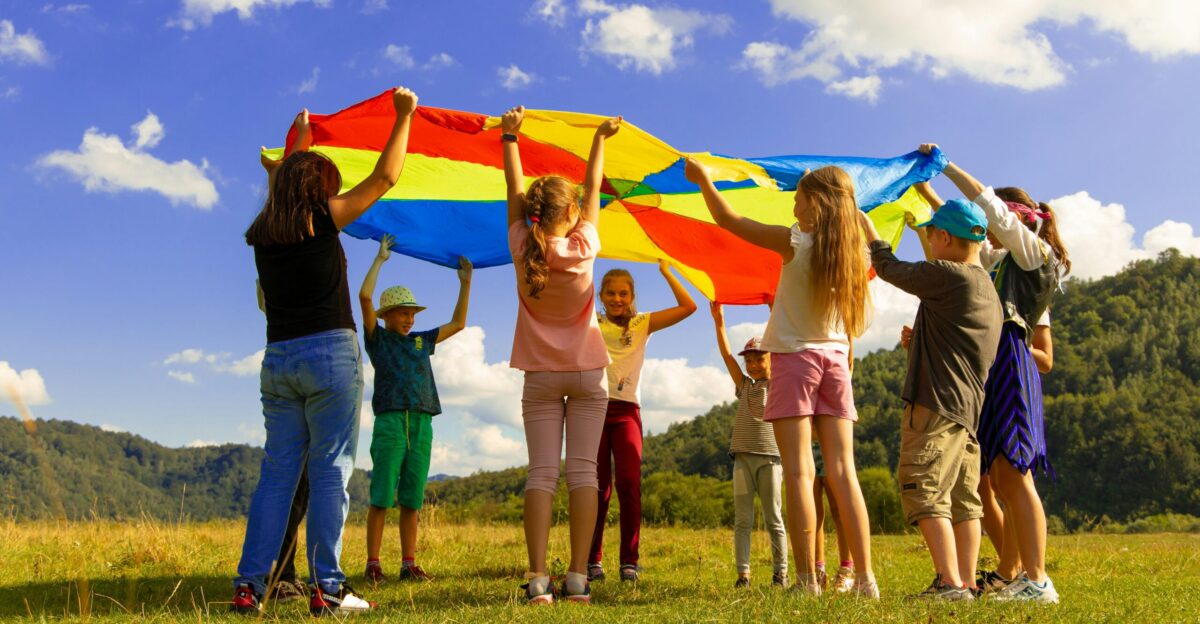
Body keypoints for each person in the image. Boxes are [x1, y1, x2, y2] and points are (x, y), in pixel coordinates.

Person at [232, 87, 418, 617]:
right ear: (318, 189)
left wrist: (301, 140)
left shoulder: (265, 231)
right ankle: (329, 588)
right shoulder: (323, 219)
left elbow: (282, 187)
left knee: (277, 474)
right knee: (332, 471)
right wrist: (402, 117)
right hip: (330, 357)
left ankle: (250, 586)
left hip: (279, 361)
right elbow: (386, 177)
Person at [685, 160, 878, 598]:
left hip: (794, 359)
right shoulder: (857, 253)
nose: (793, 202)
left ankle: (808, 580)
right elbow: (864, 228)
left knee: (798, 472)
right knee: (846, 472)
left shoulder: (795, 242)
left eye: (799, 196)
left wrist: (705, 181)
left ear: (817, 205)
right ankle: (866, 580)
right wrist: (853, 212)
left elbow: (728, 219)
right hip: (835, 361)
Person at [927, 144, 1070, 603]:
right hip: (995, 360)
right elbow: (970, 238)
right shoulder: (1003, 259)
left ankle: (1037, 578)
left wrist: (946, 166)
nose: (987, 230)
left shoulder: (1032, 253)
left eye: (996, 221)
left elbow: (985, 207)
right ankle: (1023, 575)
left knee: (1014, 475)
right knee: (1003, 476)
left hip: (1011, 358)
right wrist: (928, 193)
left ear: (1015, 219)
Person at [502, 105, 621, 604]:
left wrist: (511, 137)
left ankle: (536, 579)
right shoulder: (585, 246)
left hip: (540, 377)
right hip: (588, 374)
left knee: (542, 474)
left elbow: (512, 192)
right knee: (584, 474)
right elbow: (595, 189)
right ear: (571, 215)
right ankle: (576, 578)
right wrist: (599, 138)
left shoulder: (520, 245)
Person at [864, 194, 1002, 601]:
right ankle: (968, 583)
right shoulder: (985, 289)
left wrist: (869, 232)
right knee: (964, 501)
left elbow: (889, 267)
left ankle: (948, 581)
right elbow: (959, 346)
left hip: (936, 405)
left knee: (924, 488)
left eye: (930, 235)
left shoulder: (951, 274)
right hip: (965, 411)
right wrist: (921, 341)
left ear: (943, 236)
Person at [359, 234, 472, 584]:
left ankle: (409, 563)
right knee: (381, 497)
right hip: (391, 422)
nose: (409, 319)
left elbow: (458, 324)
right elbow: (364, 297)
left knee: (412, 499)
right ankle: (373, 563)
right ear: (387, 316)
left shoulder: (422, 340)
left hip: (423, 422)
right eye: (402, 313)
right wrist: (379, 260)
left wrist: (465, 284)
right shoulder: (378, 340)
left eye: (412, 313)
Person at [587, 263, 696, 583]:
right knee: (597, 489)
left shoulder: (642, 323)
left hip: (627, 413)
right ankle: (593, 560)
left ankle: (628, 562)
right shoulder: (591, 321)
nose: (617, 298)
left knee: (629, 485)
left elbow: (688, 307)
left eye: (624, 293)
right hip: (593, 410)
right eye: (611, 293)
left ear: (632, 296)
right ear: (601, 296)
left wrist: (667, 270)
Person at [711, 303, 788, 589]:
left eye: (760, 358)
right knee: (743, 520)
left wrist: (775, 311)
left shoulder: (778, 382)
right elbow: (727, 355)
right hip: (742, 460)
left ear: (771, 359)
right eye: (750, 360)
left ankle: (781, 573)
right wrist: (719, 321)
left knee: (774, 518)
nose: (754, 364)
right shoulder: (743, 385)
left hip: (770, 459)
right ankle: (743, 575)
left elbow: (783, 342)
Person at [813, 447, 855, 592]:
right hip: (806, 446)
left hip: (829, 444)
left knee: (838, 510)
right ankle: (818, 572)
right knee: (813, 514)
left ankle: (846, 570)